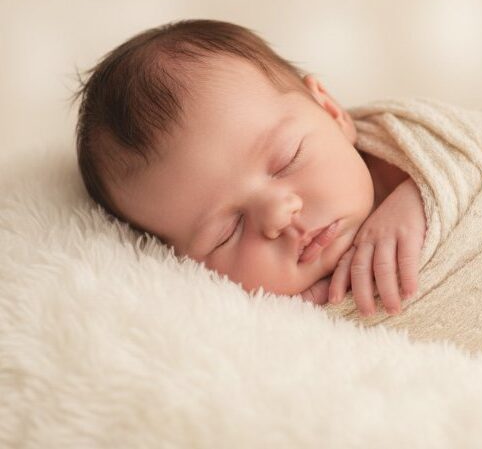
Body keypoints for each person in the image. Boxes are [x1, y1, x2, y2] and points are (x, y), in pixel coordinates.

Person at [73, 19, 425, 317]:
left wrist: (422, 197)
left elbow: (481, 148)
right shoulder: (264, 322)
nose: (277, 215)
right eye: (227, 232)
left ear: (331, 111)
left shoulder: (412, 147)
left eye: (288, 159)